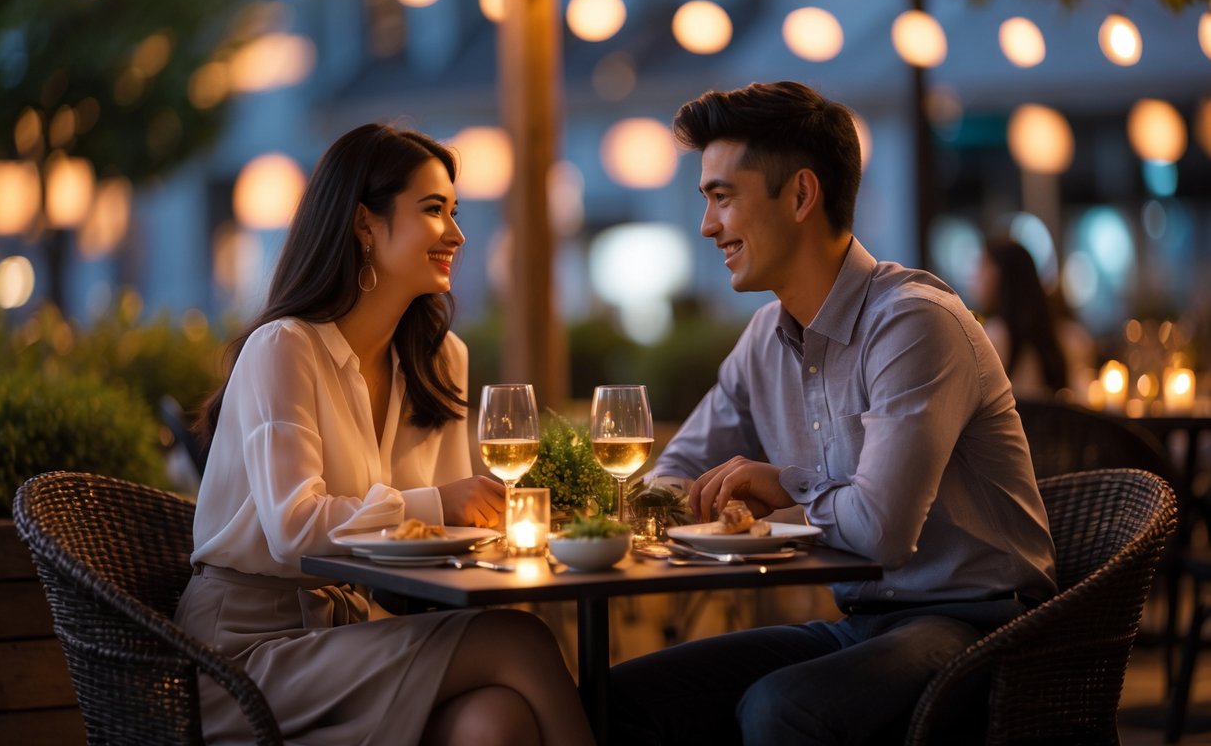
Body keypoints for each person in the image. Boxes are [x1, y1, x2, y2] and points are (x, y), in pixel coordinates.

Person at [609, 82, 1057, 745]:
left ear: (798, 196)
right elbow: (673, 473)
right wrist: (662, 506)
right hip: (865, 620)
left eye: (721, 198)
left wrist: (780, 484)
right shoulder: (765, 337)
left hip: (986, 628)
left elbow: (881, 533)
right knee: (624, 696)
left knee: (781, 708)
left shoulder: (911, 323)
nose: (707, 226)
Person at [177, 124, 593, 746]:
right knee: (520, 638)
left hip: (354, 631)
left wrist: (503, 527)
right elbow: (292, 531)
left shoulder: (440, 357)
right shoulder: (284, 348)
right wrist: (440, 504)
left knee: (494, 721)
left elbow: (454, 534)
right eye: (432, 210)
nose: (456, 234)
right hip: (244, 651)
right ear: (365, 225)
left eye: (454, 212)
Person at [969, 237, 1069, 399]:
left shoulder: (994, 336)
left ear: (1001, 273)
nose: (975, 276)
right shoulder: (1060, 333)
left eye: (983, 265)